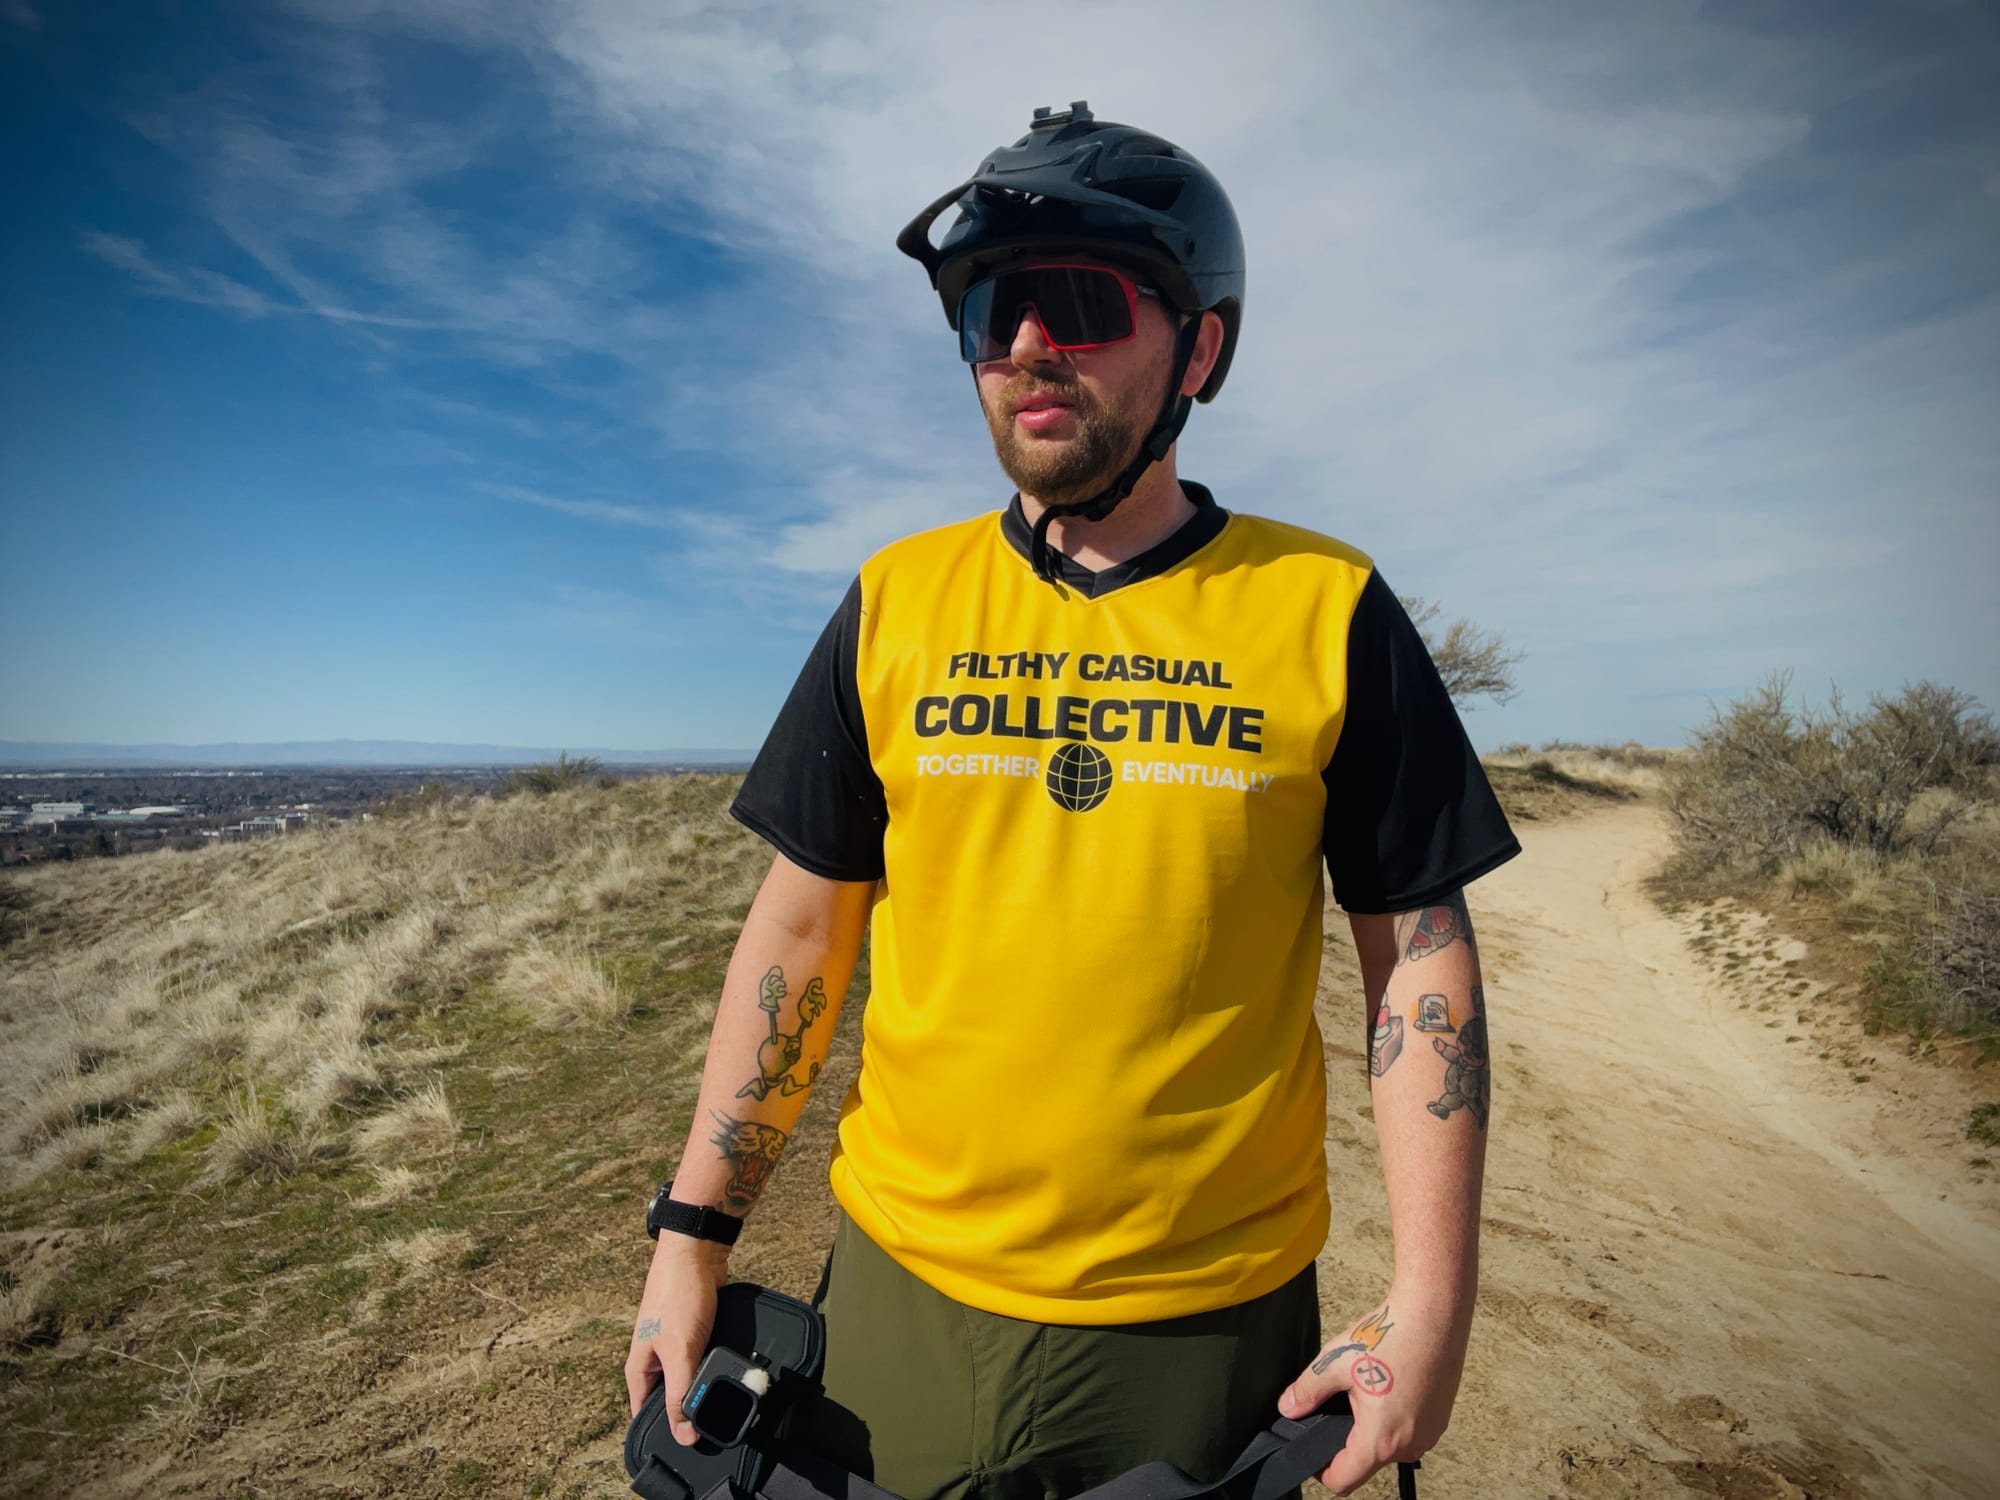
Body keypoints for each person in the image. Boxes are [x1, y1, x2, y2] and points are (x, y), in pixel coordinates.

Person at [625, 101, 1520, 1500]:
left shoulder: (1327, 606)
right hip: (902, 1293)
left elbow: (1418, 956)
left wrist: (1432, 1305)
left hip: (1205, 1325)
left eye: (1084, 304)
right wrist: (691, 1237)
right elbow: (801, 934)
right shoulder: (895, 601)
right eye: (995, 314)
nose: (1030, 345)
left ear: (1199, 350)